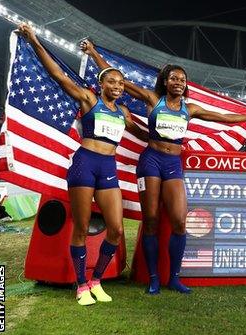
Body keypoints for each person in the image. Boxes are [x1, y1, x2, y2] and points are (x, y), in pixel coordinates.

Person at [82, 40, 246, 295]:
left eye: (182, 80)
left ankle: (174, 278)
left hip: (172, 164)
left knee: (179, 221)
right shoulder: (154, 99)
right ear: (165, 82)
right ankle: (154, 278)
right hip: (151, 161)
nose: (179, 82)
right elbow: (120, 80)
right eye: (174, 78)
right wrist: (93, 54)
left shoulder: (191, 108)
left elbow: (223, 118)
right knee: (152, 220)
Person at [16, 23, 147, 306]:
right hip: (85, 164)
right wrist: (35, 40)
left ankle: (96, 280)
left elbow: (143, 135)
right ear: (101, 85)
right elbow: (57, 75)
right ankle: (81, 285)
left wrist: (170, 140)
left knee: (116, 229)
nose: (117, 86)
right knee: (81, 227)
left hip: (107, 168)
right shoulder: (89, 100)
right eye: (112, 82)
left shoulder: (123, 112)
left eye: (121, 84)